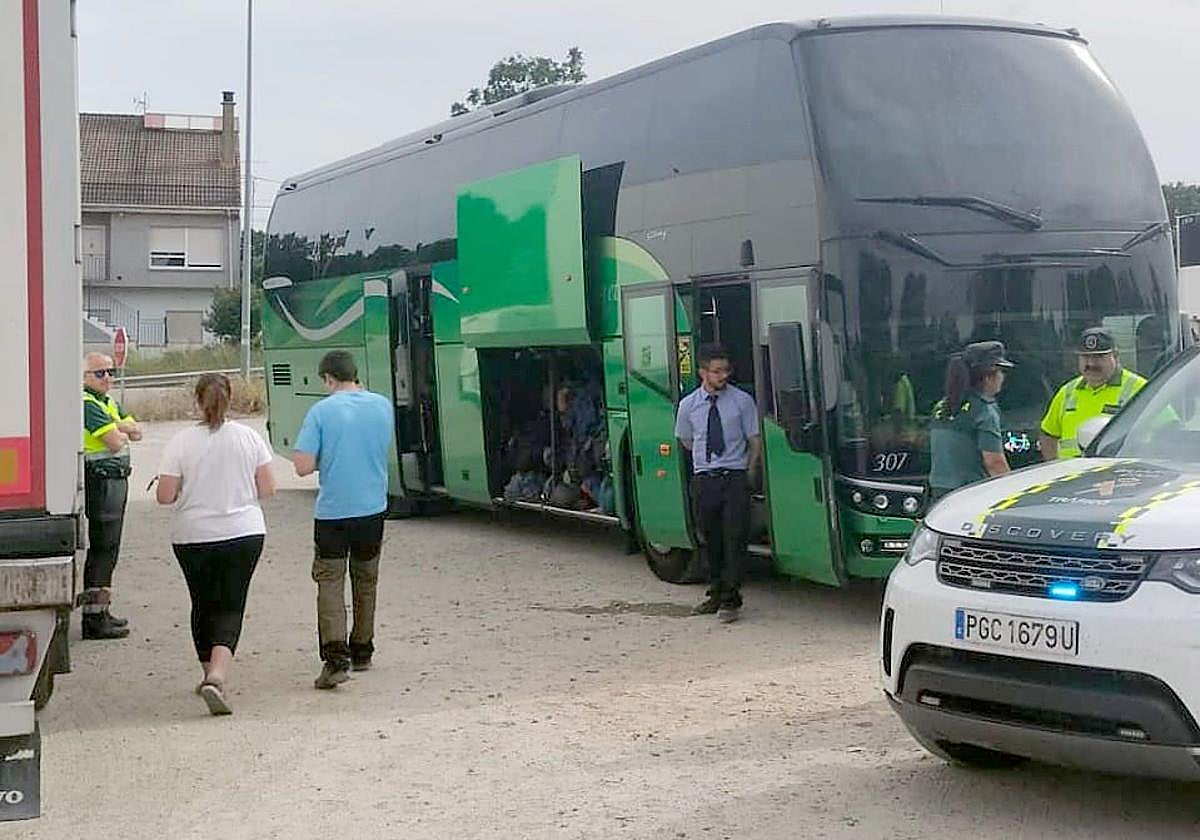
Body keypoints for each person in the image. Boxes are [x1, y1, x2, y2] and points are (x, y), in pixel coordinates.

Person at [155, 374, 276, 716]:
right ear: (231, 398)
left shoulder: (180, 442)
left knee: (202, 602)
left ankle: (208, 673)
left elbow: (165, 496)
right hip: (244, 532)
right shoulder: (249, 437)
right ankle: (219, 676)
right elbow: (268, 488)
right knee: (231, 603)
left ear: (197, 400)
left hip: (193, 535)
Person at [293, 350, 393, 690]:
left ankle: (336, 658)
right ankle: (363, 648)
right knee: (366, 578)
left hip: (334, 512)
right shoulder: (382, 405)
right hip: (373, 508)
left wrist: (328, 458)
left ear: (329, 379)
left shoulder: (321, 411)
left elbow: (303, 465)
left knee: (330, 583)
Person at [674, 343, 761, 624]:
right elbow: (686, 441)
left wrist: (748, 473)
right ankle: (715, 592)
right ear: (703, 373)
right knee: (709, 538)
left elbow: (754, 441)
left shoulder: (742, 401)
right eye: (716, 371)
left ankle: (731, 600)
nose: (723, 375)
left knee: (734, 537)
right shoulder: (688, 406)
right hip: (705, 479)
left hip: (734, 477)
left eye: (726, 370)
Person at [81, 352, 141, 640]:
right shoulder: (87, 403)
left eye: (111, 371)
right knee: (103, 549)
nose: (108, 378)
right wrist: (121, 427)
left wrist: (120, 426)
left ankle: (102, 611)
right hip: (102, 480)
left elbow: (137, 430)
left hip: (116, 481)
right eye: (100, 373)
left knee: (111, 550)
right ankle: (93, 619)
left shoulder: (107, 403)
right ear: (84, 377)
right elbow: (116, 442)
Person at [1039, 327, 1147, 460]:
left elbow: (1168, 430)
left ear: (1116, 356)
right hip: (1071, 476)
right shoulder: (1067, 391)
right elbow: (1048, 434)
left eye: (1099, 356)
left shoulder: (1140, 389)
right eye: (1085, 357)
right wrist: (1053, 468)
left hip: (1118, 475)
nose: (1091, 363)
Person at [927, 341, 1015, 501]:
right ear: (988, 377)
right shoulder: (984, 410)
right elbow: (994, 462)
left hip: (938, 493)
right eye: (1001, 371)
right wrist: (1012, 495)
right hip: (971, 494)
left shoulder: (942, 406)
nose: (1003, 377)